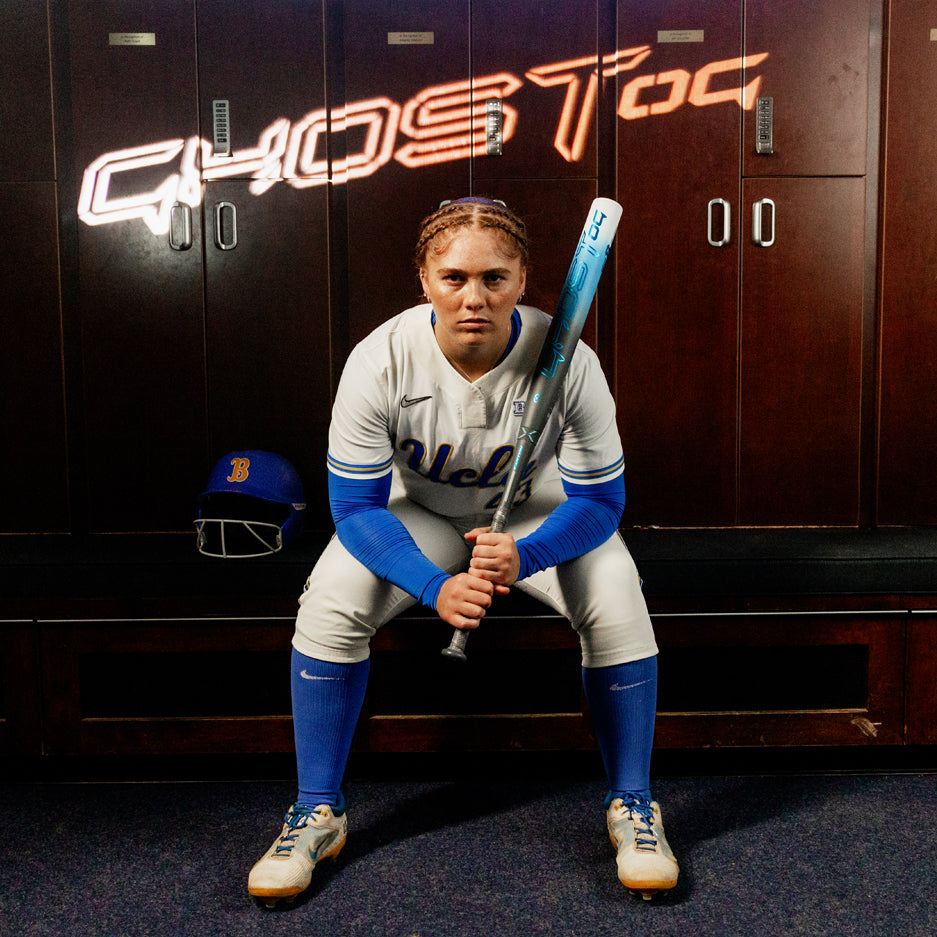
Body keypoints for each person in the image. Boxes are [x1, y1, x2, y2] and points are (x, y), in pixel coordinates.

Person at [247, 196, 679, 904]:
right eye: (453, 278)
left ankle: (633, 804)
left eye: (493, 278)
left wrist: (527, 555)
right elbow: (354, 508)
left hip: (538, 513)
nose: (473, 297)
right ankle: (316, 810)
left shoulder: (568, 357)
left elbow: (600, 501)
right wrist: (429, 585)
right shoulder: (379, 359)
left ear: (522, 278)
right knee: (329, 600)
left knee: (616, 593)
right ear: (423, 278)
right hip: (417, 511)